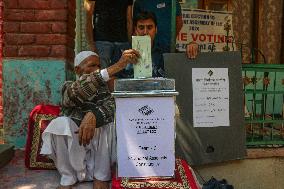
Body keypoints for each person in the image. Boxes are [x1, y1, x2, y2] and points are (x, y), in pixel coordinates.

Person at [40, 49, 139, 189]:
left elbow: (113, 107)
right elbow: (76, 93)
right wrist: (115, 67)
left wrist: (94, 115)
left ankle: (101, 176)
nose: (97, 69)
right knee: (59, 124)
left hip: (99, 148)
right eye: (92, 65)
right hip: (76, 143)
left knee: (109, 123)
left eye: (99, 66)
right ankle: (68, 176)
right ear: (77, 69)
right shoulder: (68, 86)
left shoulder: (104, 88)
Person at [132, 11, 198, 77]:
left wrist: (192, 46)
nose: (145, 32)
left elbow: (186, 60)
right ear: (135, 30)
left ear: (156, 29)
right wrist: (121, 64)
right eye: (141, 27)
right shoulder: (124, 51)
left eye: (149, 27)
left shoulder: (166, 51)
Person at [84, 0, 133, 69]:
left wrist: (130, 44)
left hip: (120, 42)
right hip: (102, 42)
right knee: (102, 76)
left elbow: (129, 20)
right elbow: (88, 19)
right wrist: (92, 45)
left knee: (121, 75)